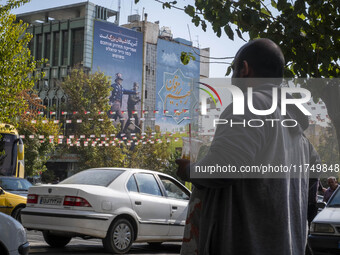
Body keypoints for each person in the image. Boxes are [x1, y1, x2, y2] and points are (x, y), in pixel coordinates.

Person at [176, 38, 320, 255]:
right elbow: (311, 197)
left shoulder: (250, 107)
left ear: (244, 69)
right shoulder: (299, 133)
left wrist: (188, 170)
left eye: (233, 70)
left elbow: (225, 167)